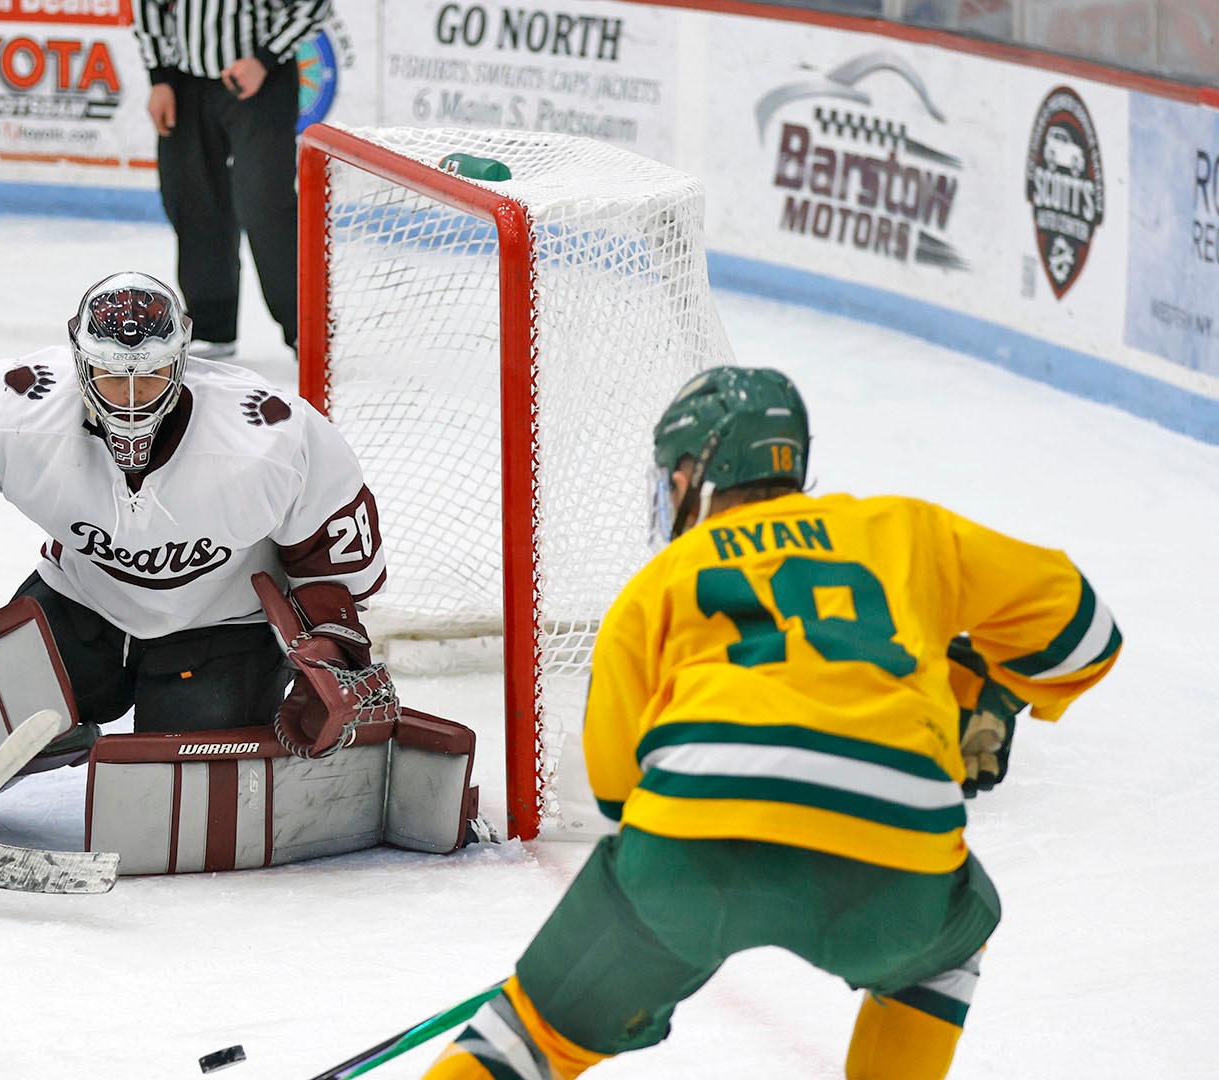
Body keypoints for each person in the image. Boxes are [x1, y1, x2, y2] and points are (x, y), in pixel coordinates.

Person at [421, 366, 1122, 1079]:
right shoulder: (905, 529)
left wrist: (627, 942)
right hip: (896, 842)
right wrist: (989, 695)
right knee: (946, 952)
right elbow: (1088, 634)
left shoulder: (657, 585)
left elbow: (616, 793)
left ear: (700, 471)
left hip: (689, 844)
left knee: (536, 1034)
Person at [0, 270, 385, 740]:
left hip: (223, 629)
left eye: (151, 375)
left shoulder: (269, 434)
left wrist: (333, 653)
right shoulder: (27, 406)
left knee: (179, 793)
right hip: (80, 605)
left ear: (182, 361)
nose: (132, 397)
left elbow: (336, 569)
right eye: (113, 376)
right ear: (80, 362)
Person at [130, 0, 328, 360]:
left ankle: (306, 327)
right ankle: (211, 325)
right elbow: (149, 6)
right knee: (191, 197)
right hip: (186, 82)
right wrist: (160, 78)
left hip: (262, 79)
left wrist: (264, 59)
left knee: (264, 202)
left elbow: (312, 6)